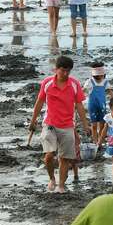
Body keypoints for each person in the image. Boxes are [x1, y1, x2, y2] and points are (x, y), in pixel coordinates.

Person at [29, 56, 90, 193]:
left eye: (68, 71)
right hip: (49, 124)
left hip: (68, 125)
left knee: (65, 157)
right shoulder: (47, 83)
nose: (65, 74)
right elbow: (39, 102)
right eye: (63, 70)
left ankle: (61, 185)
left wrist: (85, 125)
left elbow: (79, 105)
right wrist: (33, 121)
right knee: (49, 155)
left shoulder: (74, 84)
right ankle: (52, 179)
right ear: (56, 69)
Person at [84, 62, 113, 143]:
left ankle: (99, 141)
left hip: (102, 106)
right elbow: (82, 91)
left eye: (102, 74)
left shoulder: (105, 82)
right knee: (94, 125)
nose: (101, 76)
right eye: (99, 74)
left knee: (102, 124)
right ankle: (95, 140)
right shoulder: (90, 82)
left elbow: (110, 92)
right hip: (92, 106)